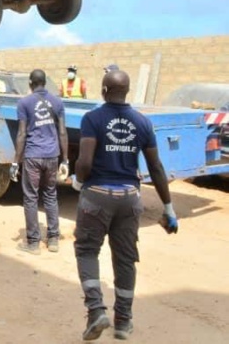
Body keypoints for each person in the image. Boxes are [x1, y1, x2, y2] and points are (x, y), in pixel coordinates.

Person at [72, 70, 178, 341]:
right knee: (125, 260)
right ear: (127, 91)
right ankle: (123, 322)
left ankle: (96, 311)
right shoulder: (142, 123)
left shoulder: (92, 119)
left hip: (96, 195)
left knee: (86, 251)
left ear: (104, 90)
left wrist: (78, 180)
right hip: (129, 199)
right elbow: (155, 166)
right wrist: (168, 208)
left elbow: (84, 163)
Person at [12, 69, 68, 255]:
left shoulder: (24, 103)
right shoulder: (57, 102)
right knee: (51, 195)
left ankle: (33, 243)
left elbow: (21, 134)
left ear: (30, 83)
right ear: (45, 82)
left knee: (31, 198)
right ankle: (53, 239)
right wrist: (65, 160)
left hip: (33, 156)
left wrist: (15, 162)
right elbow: (62, 133)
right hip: (52, 155)